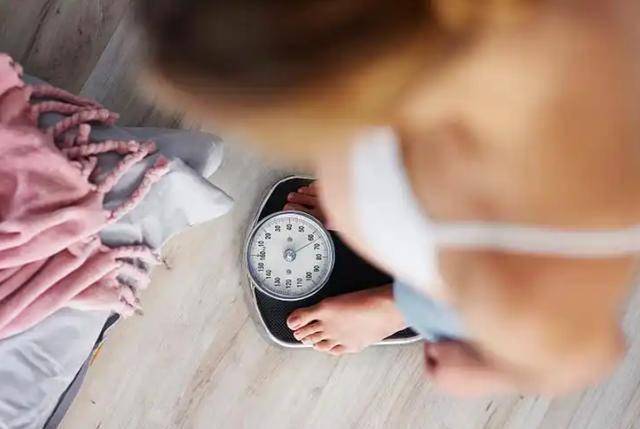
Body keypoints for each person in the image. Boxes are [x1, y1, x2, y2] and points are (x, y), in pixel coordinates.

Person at [135, 0, 640, 396]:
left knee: (458, 302)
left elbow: (585, 360)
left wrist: (481, 369)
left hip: (479, 280)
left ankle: (395, 307)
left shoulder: (527, 294)